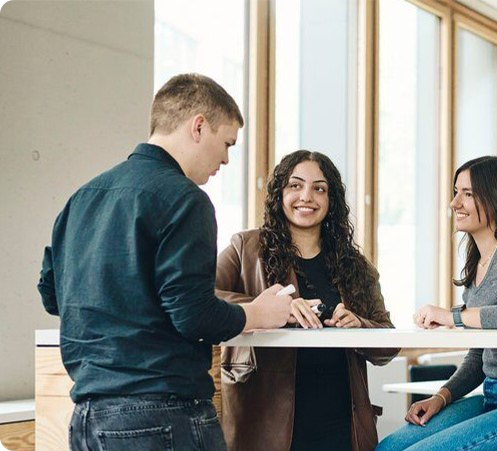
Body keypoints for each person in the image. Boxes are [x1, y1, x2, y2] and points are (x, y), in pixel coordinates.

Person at [37, 73, 294, 450]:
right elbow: (194, 316)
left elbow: (52, 294)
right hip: (162, 416)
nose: (226, 159)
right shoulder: (185, 200)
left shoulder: (82, 198)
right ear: (198, 126)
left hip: (87, 420)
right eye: (227, 143)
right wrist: (258, 313)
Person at [215, 150, 400, 451]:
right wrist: (272, 309)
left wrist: (360, 326)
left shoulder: (355, 265)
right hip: (264, 426)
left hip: (340, 426)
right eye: (295, 185)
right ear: (279, 193)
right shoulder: (245, 248)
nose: (307, 197)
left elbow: (388, 346)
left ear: (331, 199)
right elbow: (202, 297)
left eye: (319, 189)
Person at [377, 156, 497, 451]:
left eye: (468, 194)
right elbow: (479, 355)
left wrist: (456, 316)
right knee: (389, 447)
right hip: (492, 394)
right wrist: (442, 396)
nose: (455, 203)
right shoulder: (477, 264)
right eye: (455, 192)